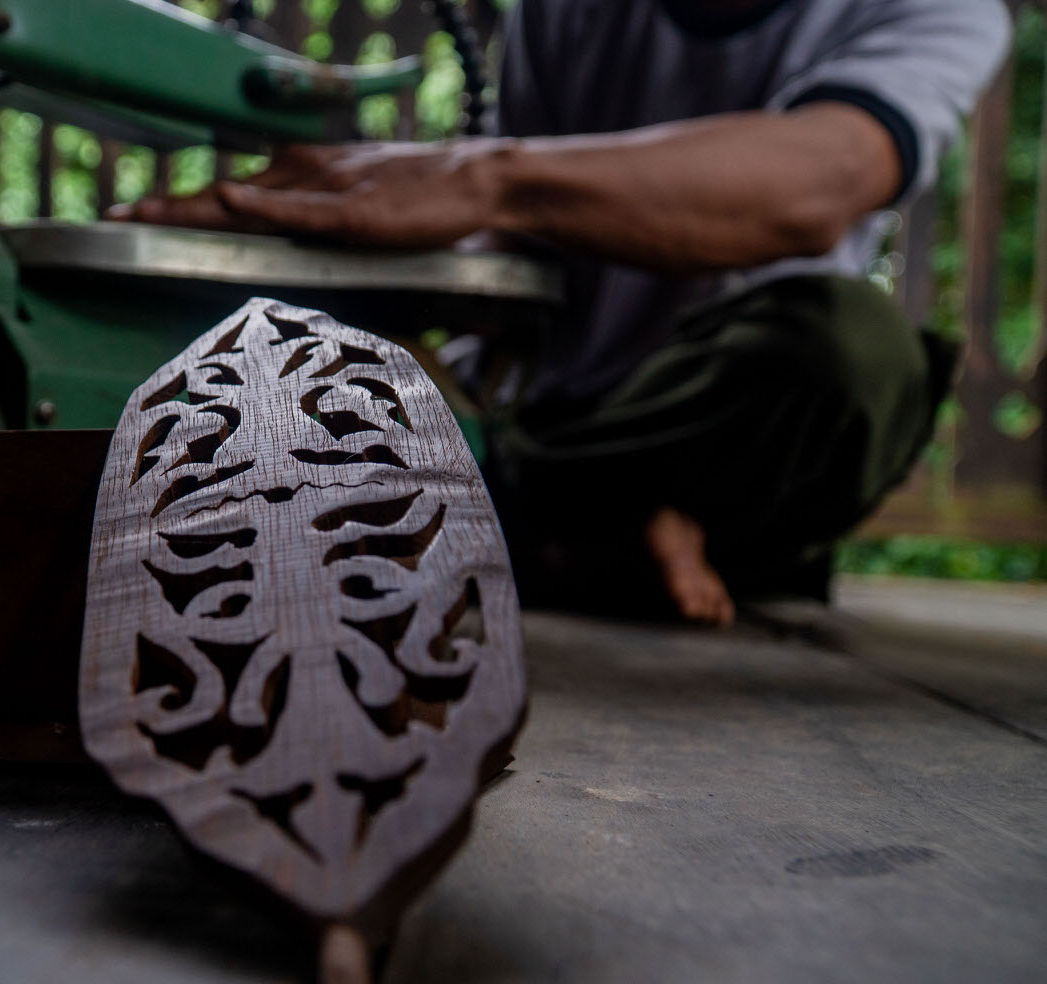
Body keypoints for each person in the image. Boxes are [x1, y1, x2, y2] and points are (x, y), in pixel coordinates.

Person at [110, 0, 1013, 625]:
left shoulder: (944, 12)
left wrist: (482, 177)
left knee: (852, 357)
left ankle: (518, 519)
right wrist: (334, 237)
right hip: (560, 414)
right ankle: (599, 539)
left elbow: (821, 180)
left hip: (718, 433)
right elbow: (521, 240)